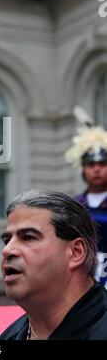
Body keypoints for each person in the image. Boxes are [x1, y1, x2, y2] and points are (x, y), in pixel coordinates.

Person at [0, 189, 107, 340]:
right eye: (7, 240)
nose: (7, 250)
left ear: (76, 252)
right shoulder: (8, 336)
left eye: (28, 237)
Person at [65, 122, 107, 288]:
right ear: (83, 169)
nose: (96, 169)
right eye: (91, 165)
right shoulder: (74, 205)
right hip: (82, 274)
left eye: (102, 164)